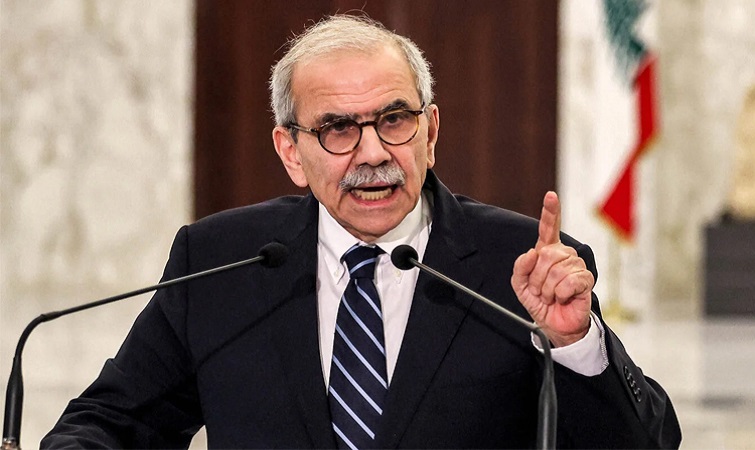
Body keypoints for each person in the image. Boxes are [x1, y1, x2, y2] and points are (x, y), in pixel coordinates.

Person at [41, 14, 681, 449]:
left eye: (395, 120)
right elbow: (111, 423)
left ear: (430, 131)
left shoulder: (521, 265)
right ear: (291, 152)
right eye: (338, 129)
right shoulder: (219, 262)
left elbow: (646, 444)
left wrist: (575, 345)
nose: (373, 153)